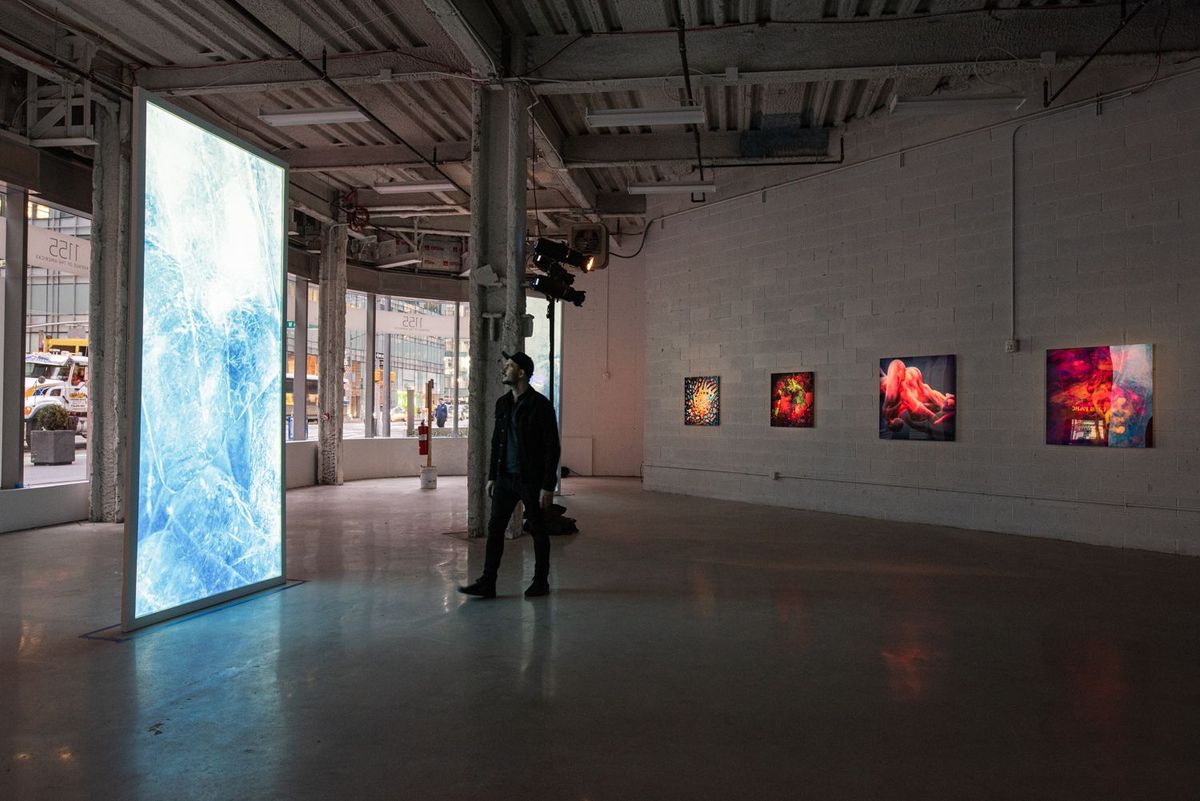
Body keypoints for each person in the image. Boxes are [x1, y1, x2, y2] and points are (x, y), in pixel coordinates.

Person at [459, 351, 560, 599]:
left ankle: (540, 581)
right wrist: (493, 475)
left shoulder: (541, 406)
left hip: (530, 479)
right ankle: (488, 582)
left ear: (522, 372)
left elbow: (552, 447)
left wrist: (548, 486)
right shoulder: (502, 403)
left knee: (537, 529)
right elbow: (497, 442)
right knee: (495, 529)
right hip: (505, 477)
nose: (504, 370)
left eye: (509, 366)